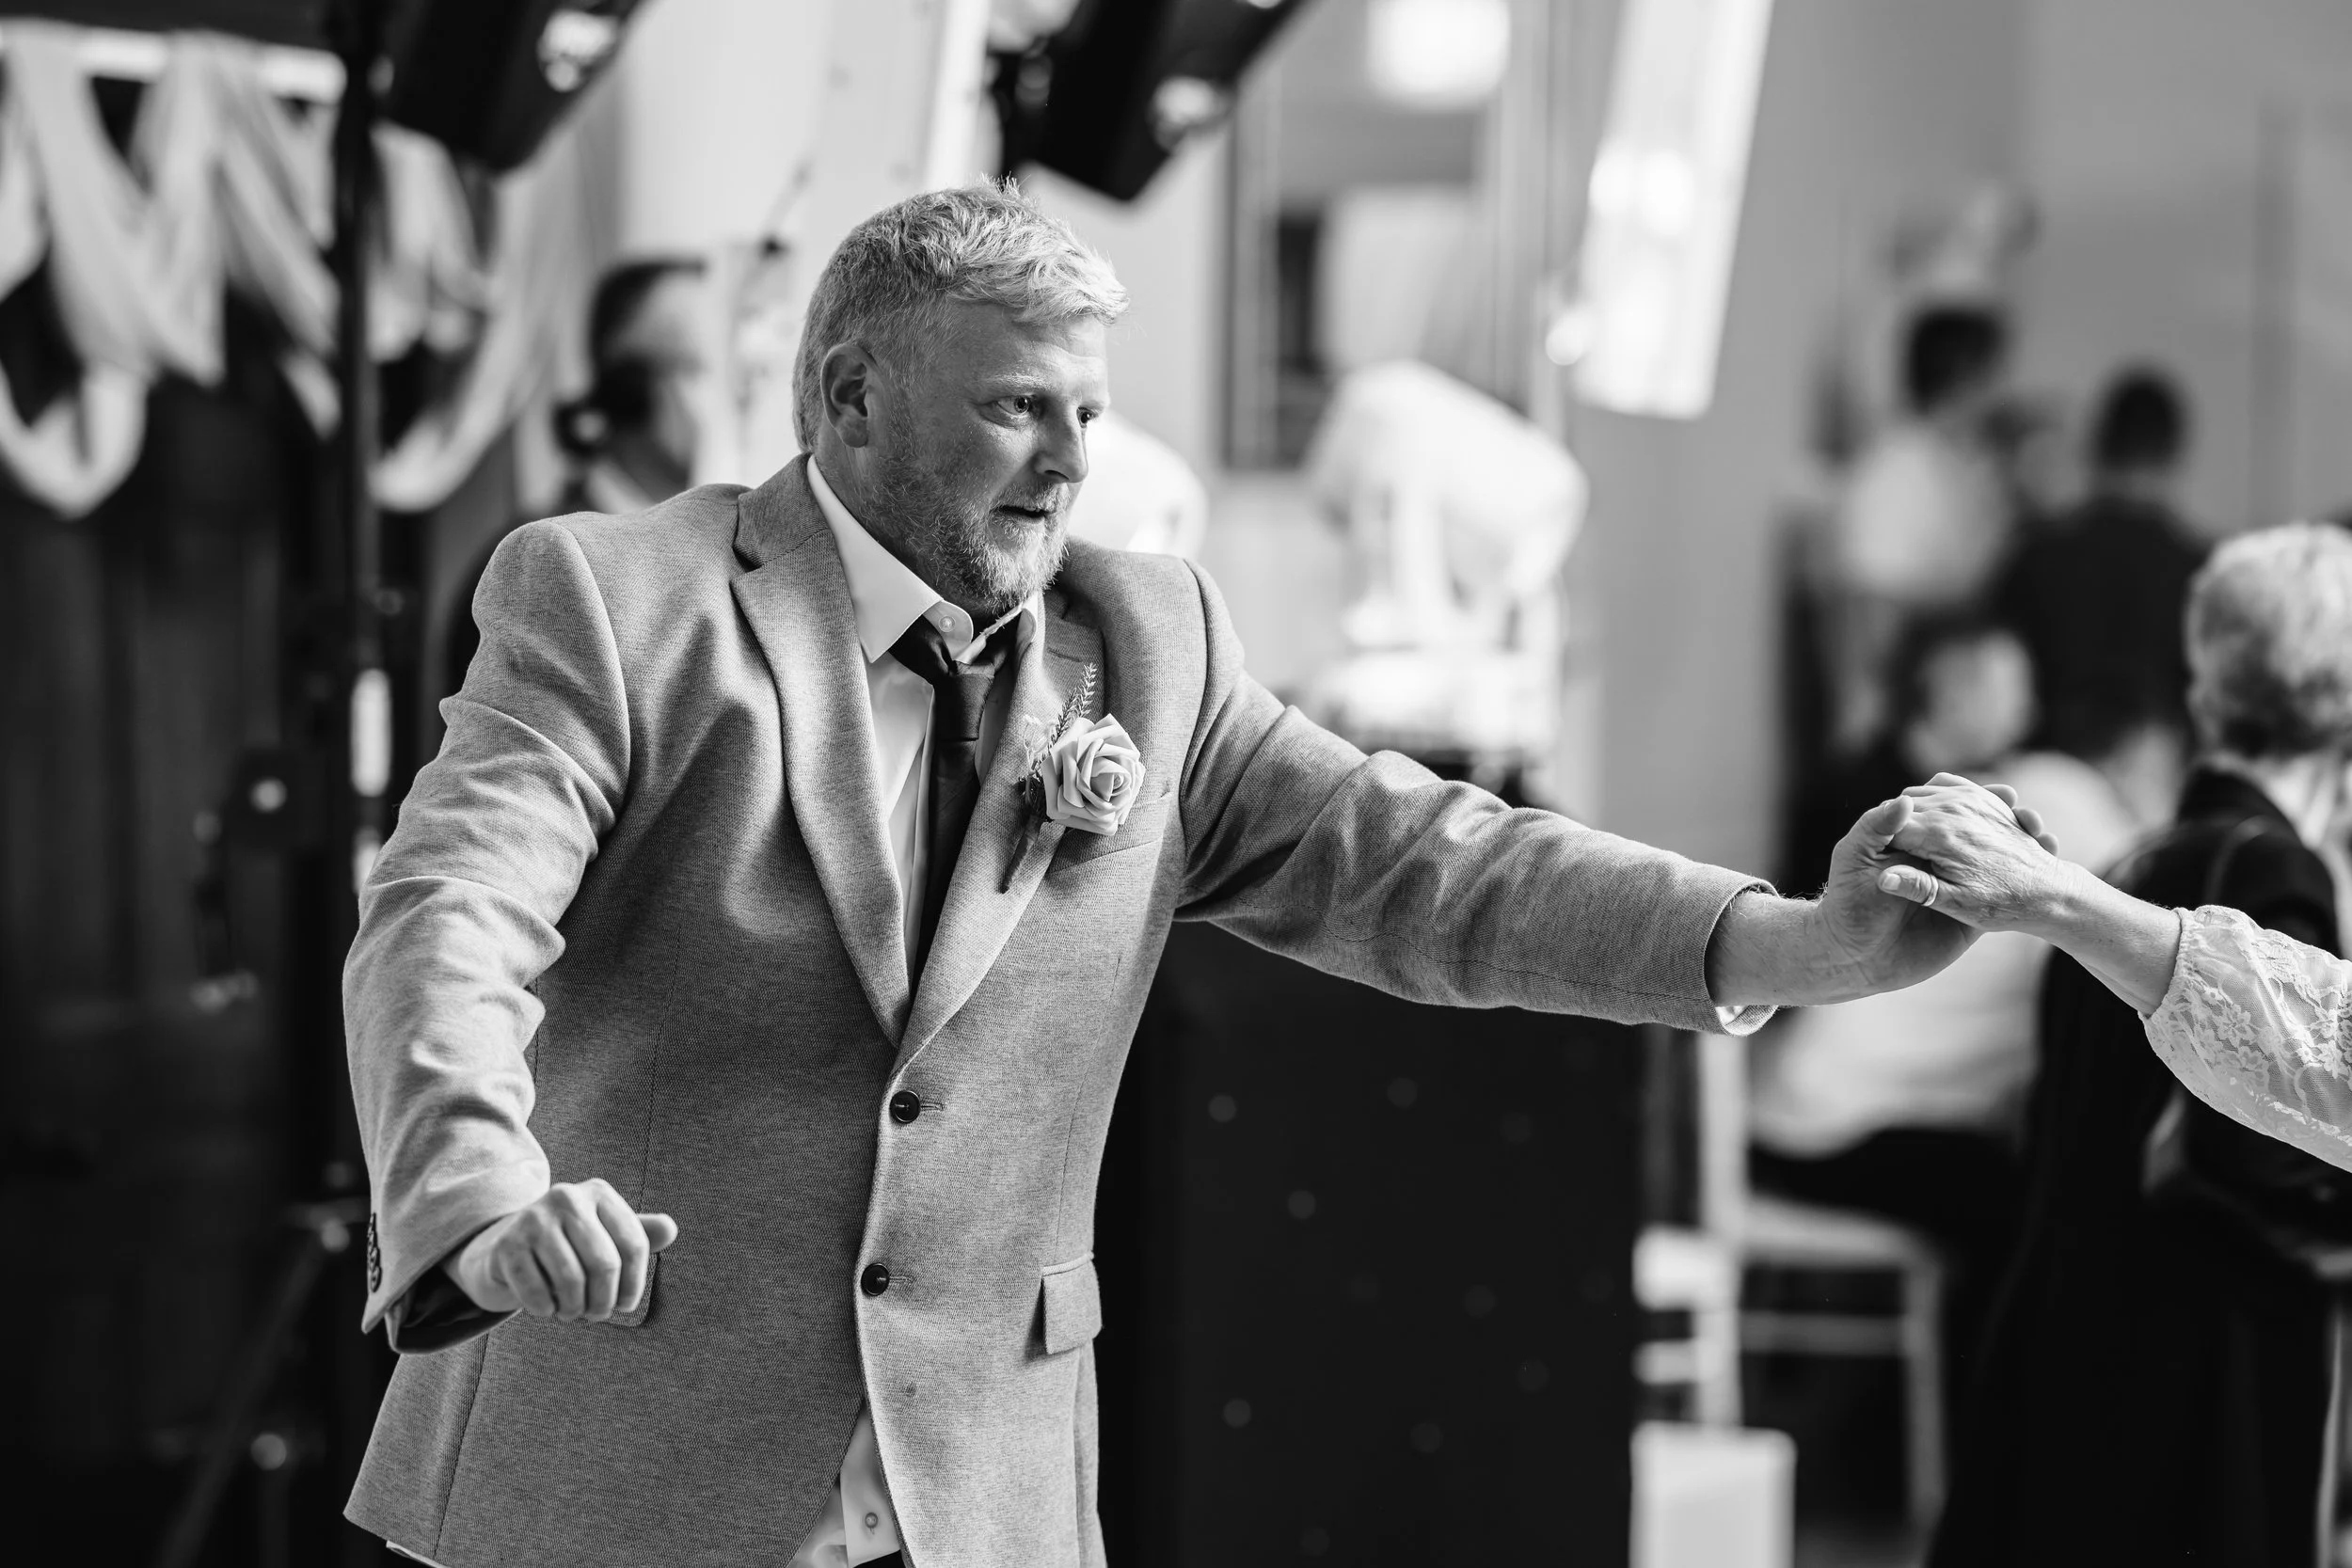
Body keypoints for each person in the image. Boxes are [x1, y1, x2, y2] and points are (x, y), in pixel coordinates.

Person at [342, 183, 2007, 1568]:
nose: (1069, 462)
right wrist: (478, 1193)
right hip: (627, 1481)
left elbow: (1431, 863)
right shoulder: (618, 601)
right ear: (851, 399)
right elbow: (448, 914)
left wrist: (1785, 941)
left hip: (984, 1501)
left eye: (1086, 412)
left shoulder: (1150, 642)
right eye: (1017, 407)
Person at [1921, 521, 2352, 1567]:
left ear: (2205, 693)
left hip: (2070, 1320)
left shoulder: (2130, 860)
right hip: (2201, 1354)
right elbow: (2263, 1150)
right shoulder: (2272, 874)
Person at [1754, 616, 2138, 1391]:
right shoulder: (2026, 805)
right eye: (2002, 689)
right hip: (1823, 1114)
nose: (2021, 711)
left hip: (1807, 1096)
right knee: (2030, 1211)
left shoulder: (2000, 803)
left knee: (2031, 1195)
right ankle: (1990, 1425)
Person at [441, 257, 709, 695]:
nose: (741, 401)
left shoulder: (722, 558)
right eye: (699, 368)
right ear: (632, 392)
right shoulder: (543, 575)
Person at [1996, 365, 2206, 795]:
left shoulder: (2037, 557)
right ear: (2175, 454)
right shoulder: (2200, 571)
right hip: (2148, 789)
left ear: (2097, 447)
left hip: (2037, 786)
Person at [1821, 305, 2013, 754]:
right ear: (1965, 381)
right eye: (1993, 380)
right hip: (1894, 729)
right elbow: (1868, 614)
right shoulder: (1893, 473)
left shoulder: (1958, 471)